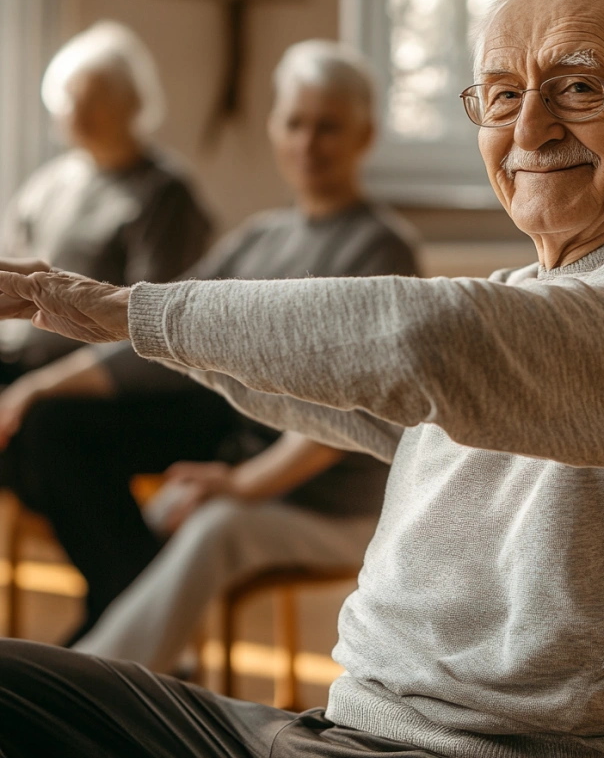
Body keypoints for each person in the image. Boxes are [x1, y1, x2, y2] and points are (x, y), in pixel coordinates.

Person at [0, 0, 604, 758]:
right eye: (502, 94)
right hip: (331, 730)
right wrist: (121, 328)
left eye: (578, 88)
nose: (529, 130)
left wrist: (128, 311)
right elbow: (361, 402)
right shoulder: (535, 291)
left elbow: (425, 341)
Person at [0, 39, 418, 648]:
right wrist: (40, 385)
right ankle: (99, 664)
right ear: (274, 129)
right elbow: (156, 320)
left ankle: (88, 679)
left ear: (365, 135)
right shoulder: (262, 237)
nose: (308, 143)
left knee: (204, 524)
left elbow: (350, 412)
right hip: (244, 454)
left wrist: (241, 484)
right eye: (295, 123)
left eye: (328, 127)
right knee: (122, 509)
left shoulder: (382, 247)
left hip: (322, 497)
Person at [0, 20, 211, 382]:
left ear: (131, 103)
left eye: (95, 100)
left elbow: (154, 320)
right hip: (21, 359)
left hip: (89, 381)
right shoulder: (49, 183)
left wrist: (40, 387)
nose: (78, 112)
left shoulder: (164, 193)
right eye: (69, 99)